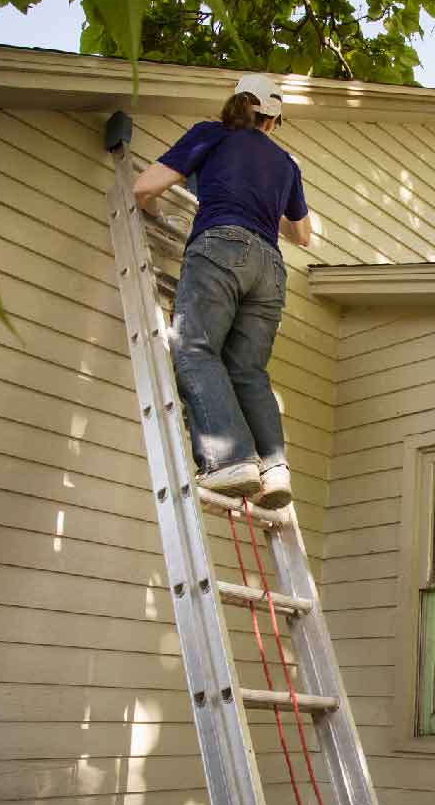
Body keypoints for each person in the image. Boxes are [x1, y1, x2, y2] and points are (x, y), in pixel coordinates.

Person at [132, 73, 312, 509]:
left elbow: (144, 187)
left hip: (221, 245)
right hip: (270, 268)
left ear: (237, 104)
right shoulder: (286, 164)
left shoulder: (210, 134)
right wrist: (267, 199)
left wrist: (157, 217)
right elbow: (302, 235)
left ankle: (229, 460)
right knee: (247, 370)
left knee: (195, 349)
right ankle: (273, 471)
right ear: (271, 119)